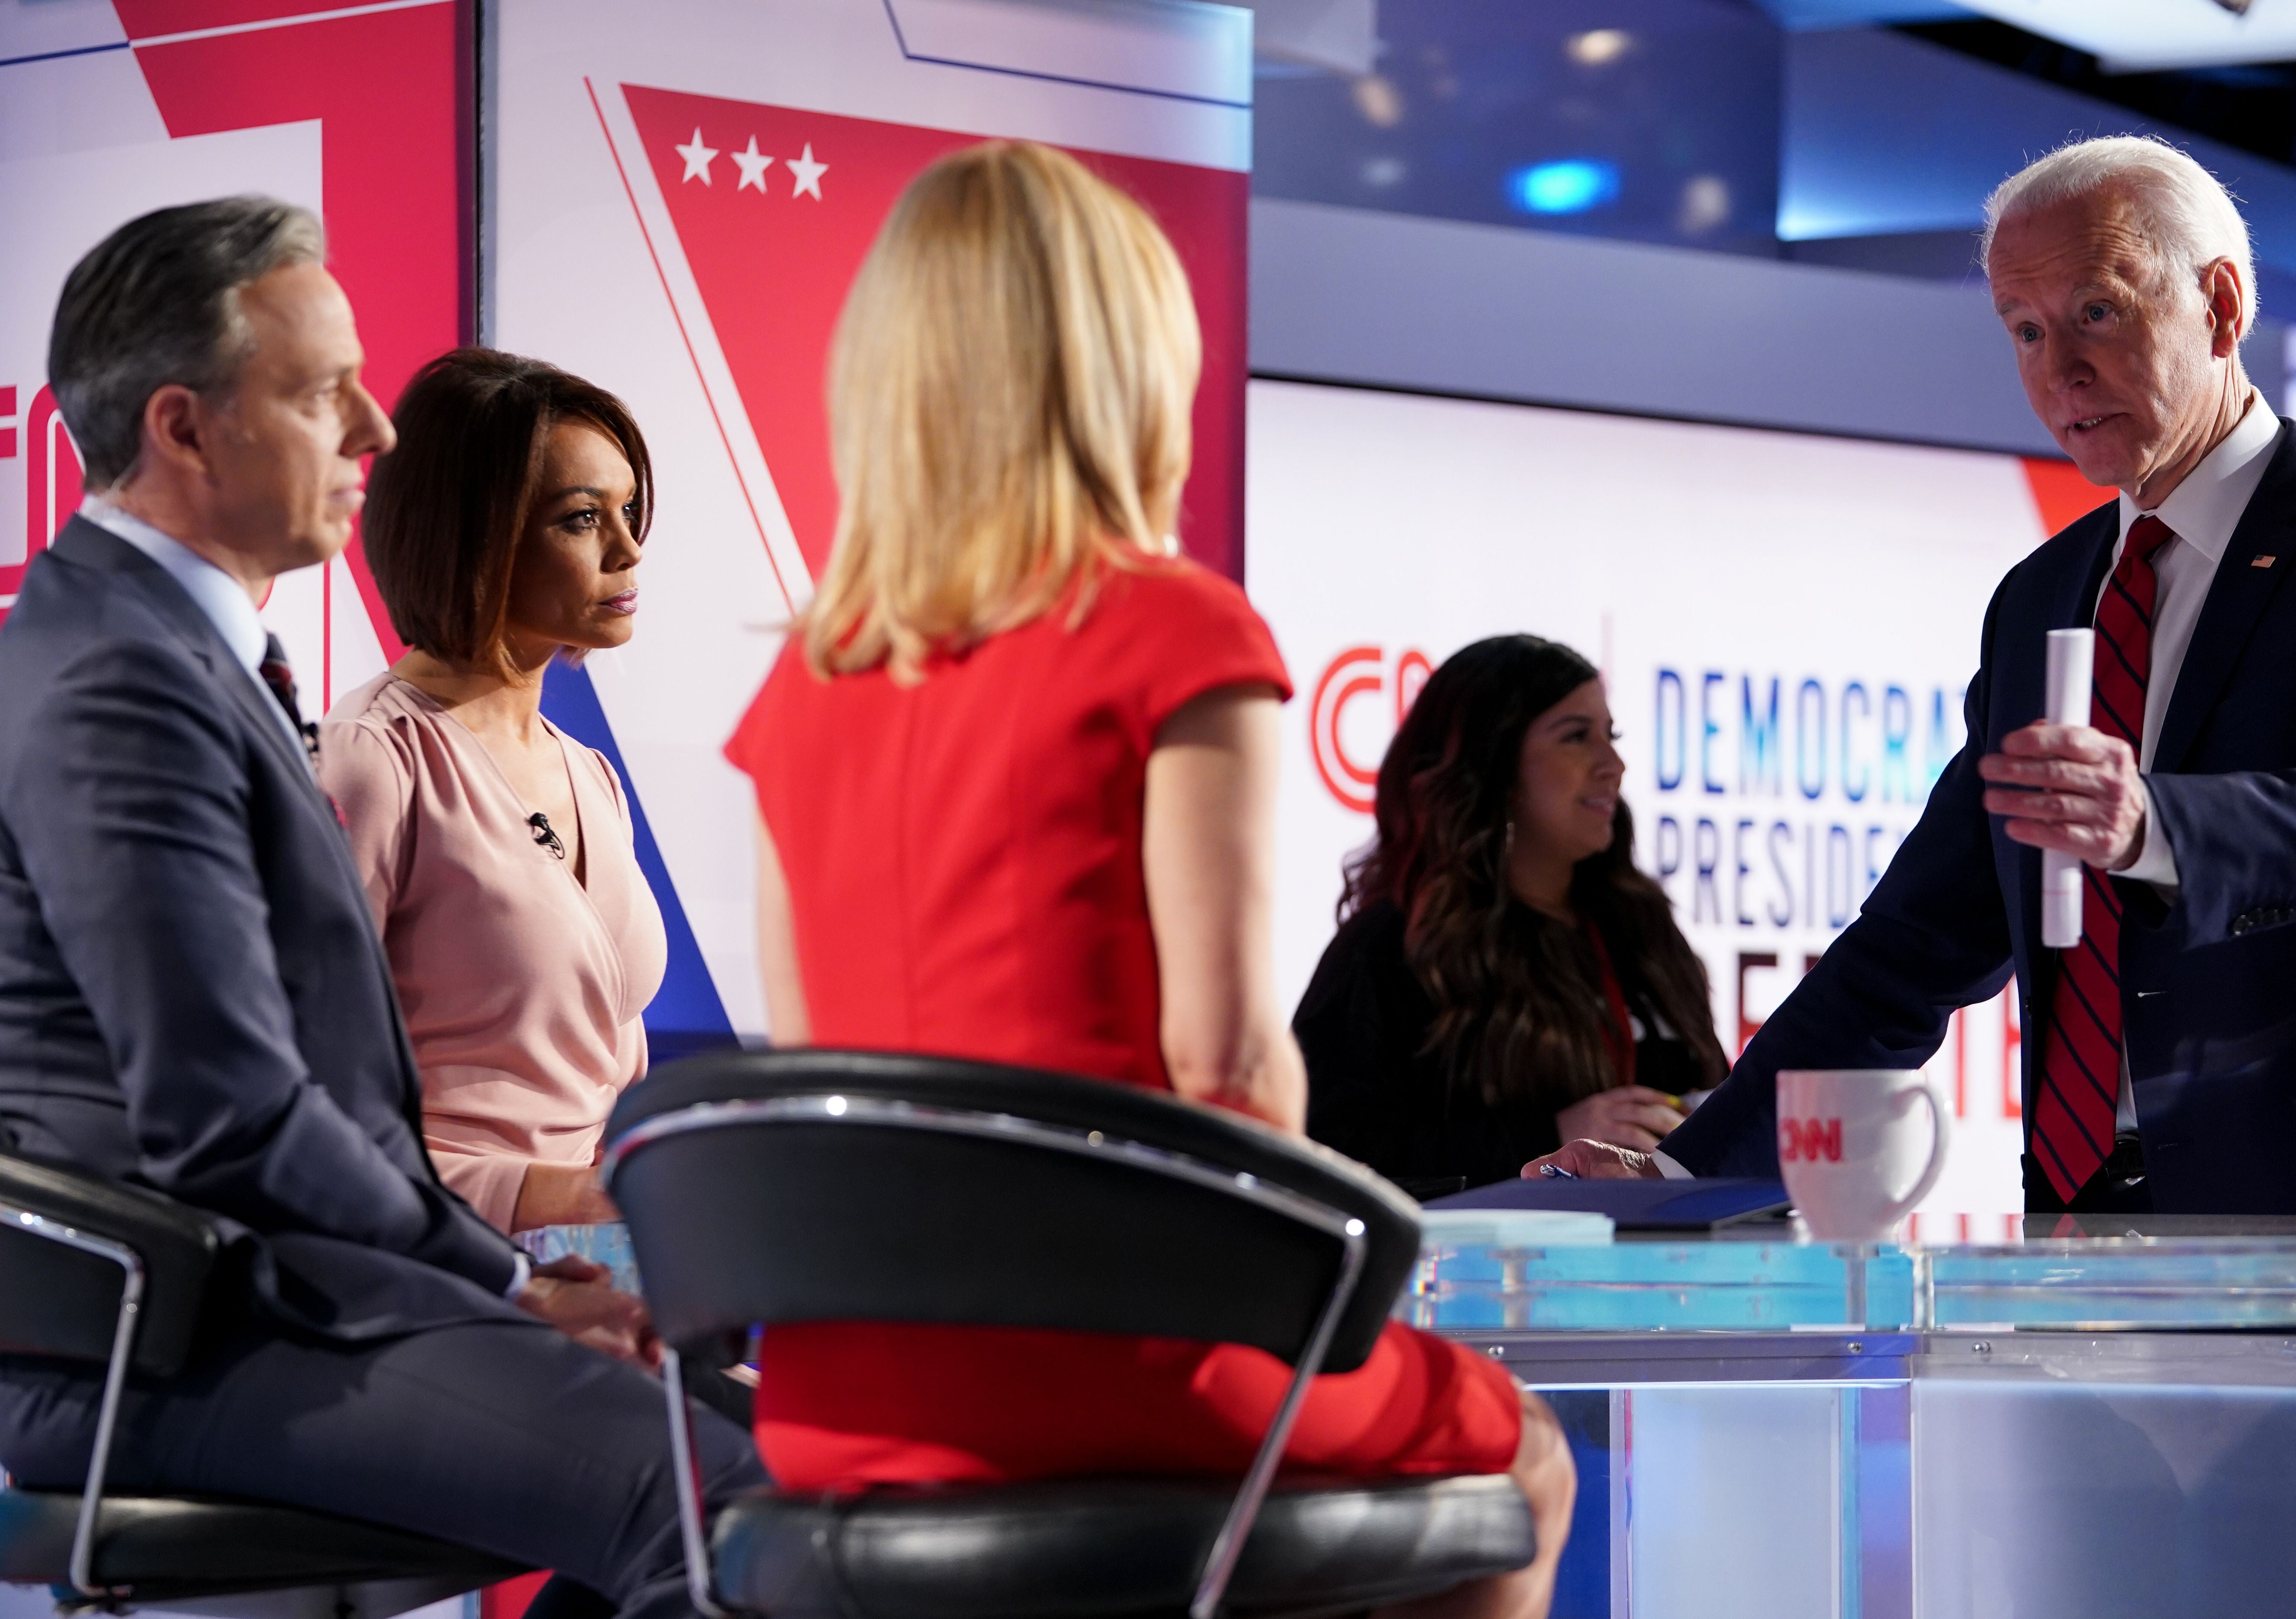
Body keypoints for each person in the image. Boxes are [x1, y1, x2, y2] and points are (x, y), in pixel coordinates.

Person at [724, 142, 1574, 1619]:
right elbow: (1232, 1062)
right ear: (1127, 366)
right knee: (1527, 1463)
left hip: (836, 1390)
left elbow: (821, 1086)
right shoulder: (1174, 632)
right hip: (1128, 1354)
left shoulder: (806, 679)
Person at [0, 198, 762, 1615]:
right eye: (318, 393)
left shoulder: (171, 651)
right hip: (170, 1336)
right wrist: (516, 1284)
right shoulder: (122, 680)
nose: (376, 431)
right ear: (183, 428)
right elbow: (229, 1113)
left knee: (769, 1451)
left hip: (264, 1297)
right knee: (720, 1507)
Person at [1534, 135, 2296, 1217]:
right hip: (2091, 1226)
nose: (2056, 371)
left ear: (2221, 307)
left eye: (2097, 312)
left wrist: (2154, 829)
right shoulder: (2041, 598)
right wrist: (1677, 1176)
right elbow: (1918, 941)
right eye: (2026, 331)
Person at [321, 349, 665, 1236]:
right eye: (583, 519)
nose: (628, 550)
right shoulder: (369, 759)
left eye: (629, 513)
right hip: (434, 1263)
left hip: (602, 1254)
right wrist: (542, 1198)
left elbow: (602, 1077)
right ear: (474, 535)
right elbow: (307, 1102)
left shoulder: (590, 772)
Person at [1294, 635, 1725, 1192]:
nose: (1612, 764)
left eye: (1610, 735)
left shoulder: (1641, 927)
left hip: (1669, 1273)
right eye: (1576, 737)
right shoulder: (1395, 944)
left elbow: (1715, 1093)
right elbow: (1331, 1150)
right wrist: (1548, 1137)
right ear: (1493, 764)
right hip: (1485, 1276)